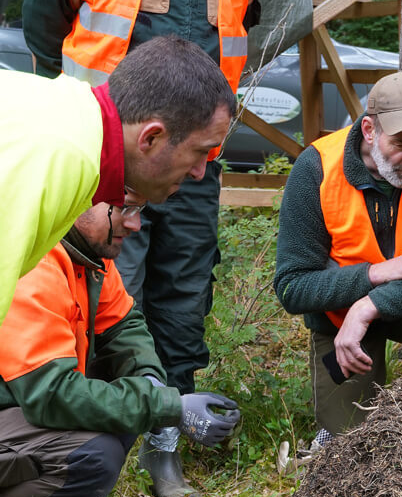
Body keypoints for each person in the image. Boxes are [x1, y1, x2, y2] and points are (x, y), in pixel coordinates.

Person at [23, 0, 256, 497]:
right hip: (111, 144)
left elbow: (247, 36)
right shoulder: (39, 194)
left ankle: (164, 445)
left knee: (183, 292)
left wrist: (162, 397)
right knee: (112, 276)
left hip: (187, 152)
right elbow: (41, 20)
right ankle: (78, 449)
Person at [0, 194, 240, 497]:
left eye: (138, 211)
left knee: (125, 412)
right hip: (28, 401)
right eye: (123, 208)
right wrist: (170, 405)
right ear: (76, 203)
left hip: (17, 410)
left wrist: (151, 382)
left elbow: (123, 325)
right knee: (95, 455)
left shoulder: (89, 257)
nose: (135, 224)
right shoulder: (34, 263)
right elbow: (52, 394)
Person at [273, 71, 402, 443]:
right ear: (369, 130)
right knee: (348, 442)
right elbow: (292, 287)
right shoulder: (316, 167)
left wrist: (369, 305)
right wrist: (377, 274)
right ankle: (336, 435)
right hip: (340, 316)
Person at [0, 34, 236, 329]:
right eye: (200, 151)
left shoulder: (67, 113)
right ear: (151, 137)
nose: (201, 172)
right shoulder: (62, 158)